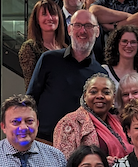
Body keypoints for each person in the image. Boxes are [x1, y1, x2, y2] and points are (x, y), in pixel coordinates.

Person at [27, 9, 106, 143]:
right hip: (43, 141)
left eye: (88, 26)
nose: (82, 31)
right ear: (69, 30)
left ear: (97, 31)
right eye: (77, 25)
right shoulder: (49, 59)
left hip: (78, 146)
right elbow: (31, 97)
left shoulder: (100, 74)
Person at [53, 74, 132, 162]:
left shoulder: (120, 121)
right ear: (85, 96)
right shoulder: (69, 123)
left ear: (113, 98)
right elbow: (62, 163)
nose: (100, 96)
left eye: (106, 92)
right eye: (93, 92)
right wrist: (100, 164)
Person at [18, 0, 66, 90]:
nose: (50, 18)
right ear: (37, 20)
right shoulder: (30, 47)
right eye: (44, 14)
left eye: (53, 14)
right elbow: (31, 85)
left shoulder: (66, 48)